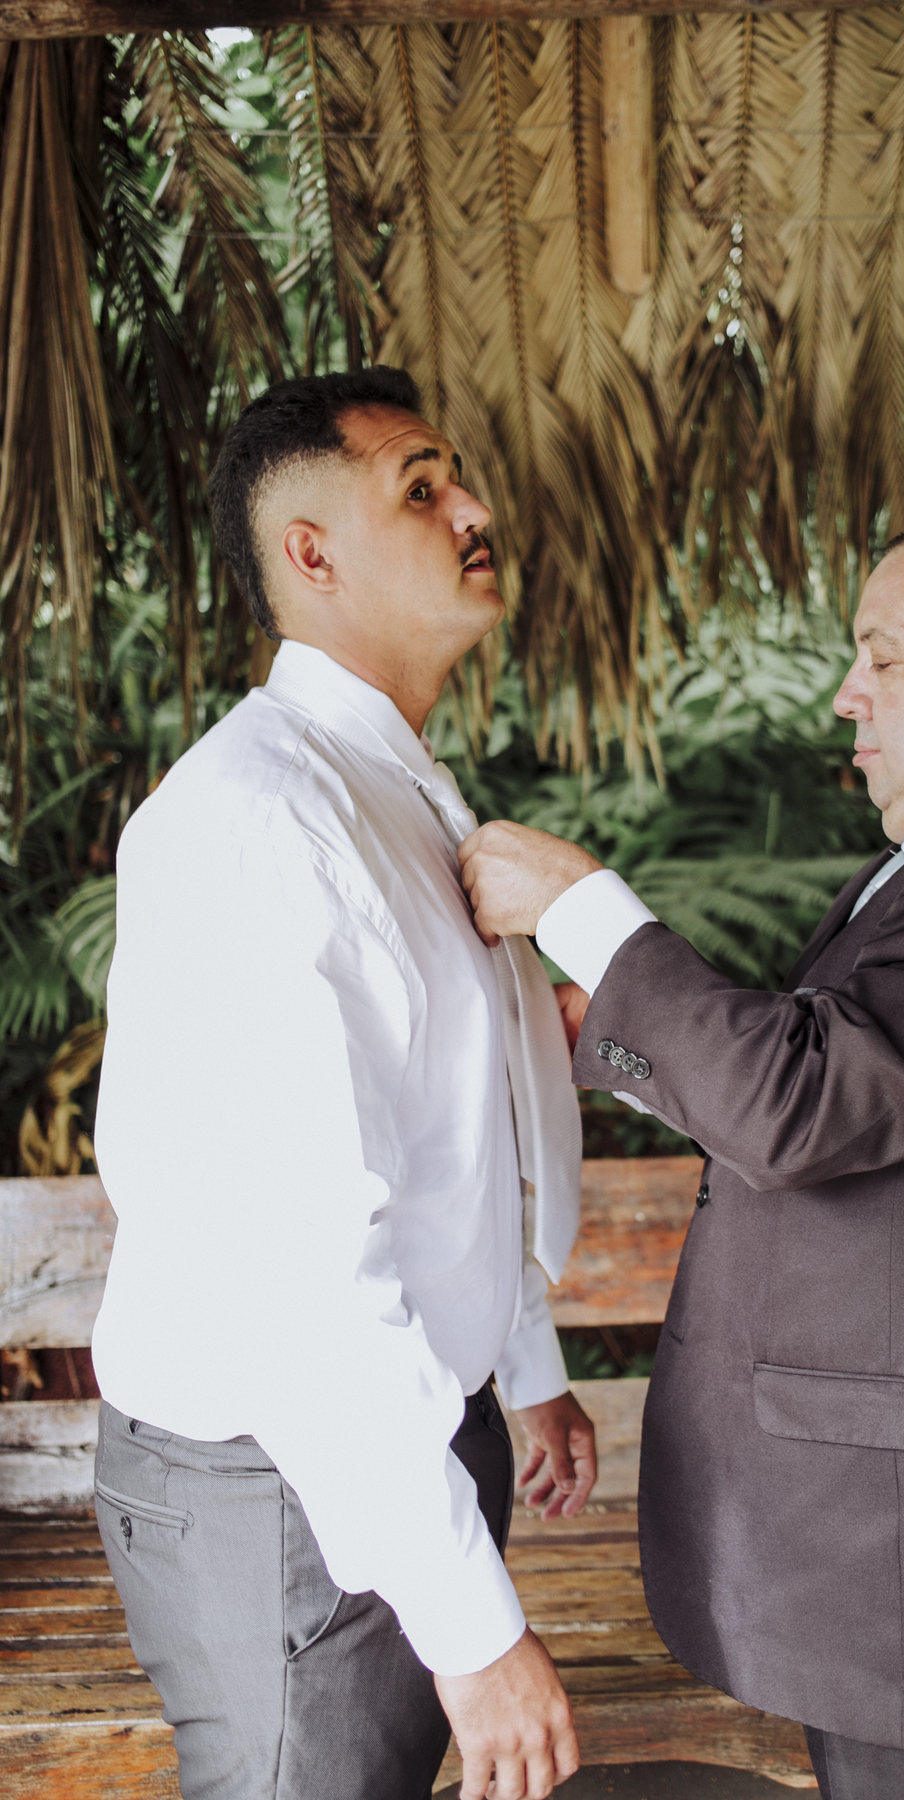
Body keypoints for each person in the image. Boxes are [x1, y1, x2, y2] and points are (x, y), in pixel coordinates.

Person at [458, 517, 904, 1800]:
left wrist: (585, 909)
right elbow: (871, 1096)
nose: (848, 696)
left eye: (883, 659)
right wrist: (621, 1038)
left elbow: (800, 1100)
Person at [90, 366, 591, 1800]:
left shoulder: (392, 783)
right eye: (420, 488)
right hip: (286, 1486)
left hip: (405, 1437)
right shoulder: (259, 824)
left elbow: (453, 1126)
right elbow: (296, 1274)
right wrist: (477, 1635)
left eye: (457, 478)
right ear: (311, 555)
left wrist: (525, 1368)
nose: (473, 509)